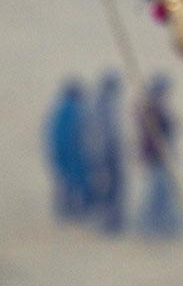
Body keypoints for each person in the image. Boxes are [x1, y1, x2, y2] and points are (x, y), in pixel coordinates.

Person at [137, 75, 180, 236]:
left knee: (161, 192)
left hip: (160, 158)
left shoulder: (155, 109)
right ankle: (151, 226)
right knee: (156, 192)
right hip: (156, 159)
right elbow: (151, 136)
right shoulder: (151, 110)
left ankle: (159, 224)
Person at [44, 79, 92, 219]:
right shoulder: (71, 111)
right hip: (70, 155)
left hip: (63, 155)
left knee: (66, 184)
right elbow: (69, 138)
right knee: (71, 184)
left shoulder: (60, 109)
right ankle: (68, 212)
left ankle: (66, 211)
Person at [90, 72, 125, 233]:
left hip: (109, 154)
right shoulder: (101, 105)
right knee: (109, 189)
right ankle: (108, 223)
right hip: (106, 155)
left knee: (113, 189)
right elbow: (101, 134)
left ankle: (111, 222)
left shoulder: (106, 103)